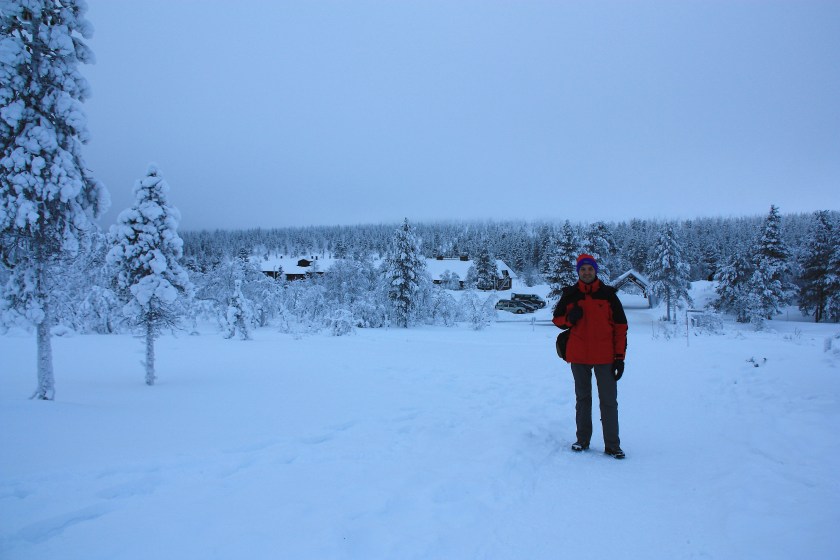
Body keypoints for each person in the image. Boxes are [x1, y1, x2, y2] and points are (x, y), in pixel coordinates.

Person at [553, 254, 628, 459]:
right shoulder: (570, 294)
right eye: (583, 269)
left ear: (596, 271)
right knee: (583, 399)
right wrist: (570, 318)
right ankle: (582, 440)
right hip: (578, 357)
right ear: (578, 272)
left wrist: (619, 358)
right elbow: (558, 320)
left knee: (609, 401)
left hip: (605, 358)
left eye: (590, 269)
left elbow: (620, 328)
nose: (587, 272)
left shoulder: (608, 295)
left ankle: (612, 445)